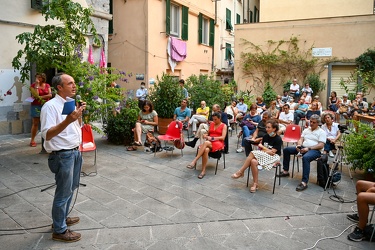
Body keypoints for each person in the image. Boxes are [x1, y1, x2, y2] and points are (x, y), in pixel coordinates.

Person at [40, 73, 86, 242]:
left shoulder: (70, 104)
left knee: (71, 188)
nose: (74, 86)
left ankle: (62, 218)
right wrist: (68, 121)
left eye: (74, 83)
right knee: (63, 192)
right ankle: (59, 230)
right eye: (70, 83)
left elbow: (75, 127)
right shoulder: (50, 107)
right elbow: (47, 135)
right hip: (62, 155)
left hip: (74, 152)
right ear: (59, 87)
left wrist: (78, 115)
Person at [277, 114, 326, 191]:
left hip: (315, 150)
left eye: (313, 122)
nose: (311, 123)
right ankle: (285, 171)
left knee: (306, 158)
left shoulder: (321, 132)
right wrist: (299, 145)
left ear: (318, 123)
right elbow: (301, 138)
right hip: (303, 148)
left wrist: (308, 148)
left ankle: (304, 182)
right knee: (286, 150)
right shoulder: (307, 130)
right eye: (311, 121)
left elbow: (321, 145)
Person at [231, 120, 282, 193]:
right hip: (265, 154)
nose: (266, 129)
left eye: (269, 127)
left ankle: (241, 171)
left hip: (274, 158)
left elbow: (273, 152)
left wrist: (263, 148)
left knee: (252, 153)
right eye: (266, 127)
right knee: (253, 161)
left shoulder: (278, 139)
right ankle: (255, 184)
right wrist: (265, 149)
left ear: (274, 129)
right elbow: (266, 150)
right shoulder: (265, 136)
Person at [186, 112, 227, 179]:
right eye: (213, 119)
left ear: (219, 119)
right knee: (206, 150)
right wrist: (206, 135)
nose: (214, 121)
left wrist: (212, 138)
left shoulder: (224, 126)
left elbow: (223, 137)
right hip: (210, 142)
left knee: (206, 143)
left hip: (218, 142)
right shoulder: (212, 124)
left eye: (215, 119)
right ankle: (203, 171)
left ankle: (194, 161)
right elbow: (209, 133)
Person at [29, 73, 52, 147]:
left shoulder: (47, 85)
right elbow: (36, 95)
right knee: (35, 123)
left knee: (47, 122)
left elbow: (50, 95)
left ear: (43, 78)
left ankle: (47, 139)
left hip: (46, 105)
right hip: (36, 105)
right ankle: (32, 140)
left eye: (39, 77)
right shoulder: (33, 86)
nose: (38, 79)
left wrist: (40, 97)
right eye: (37, 77)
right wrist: (37, 85)